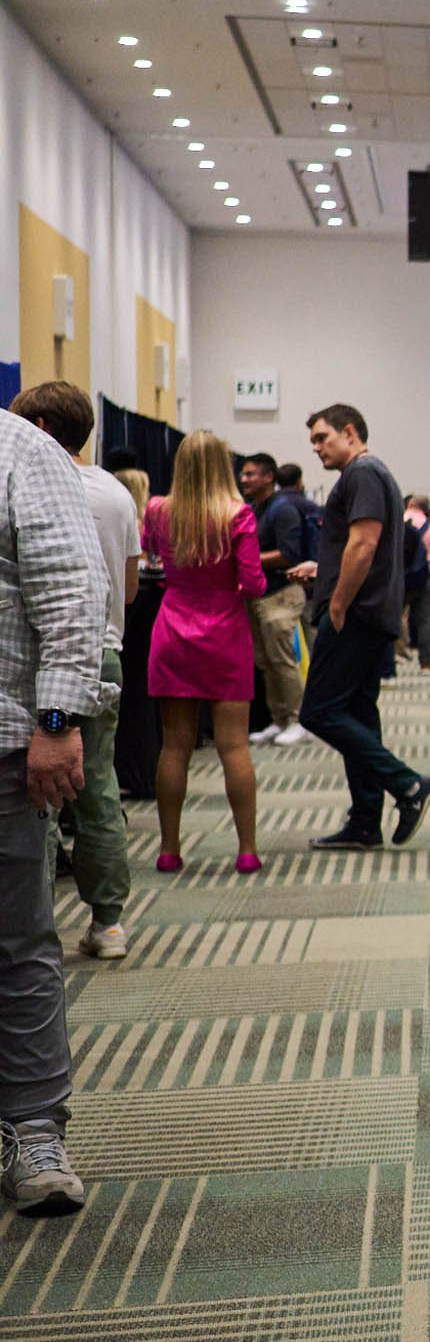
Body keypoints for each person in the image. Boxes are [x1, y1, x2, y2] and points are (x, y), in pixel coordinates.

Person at [0, 405, 107, 1215]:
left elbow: (76, 591)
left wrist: (58, 721)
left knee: (19, 937)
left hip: (9, 742)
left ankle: (35, 1126)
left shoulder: (21, 452)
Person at [9, 384, 138, 960]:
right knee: (98, 791)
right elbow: (128, 590)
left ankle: (31, 921)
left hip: (37, 667)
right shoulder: (116, 494)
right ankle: (108, 922)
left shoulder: (28, 477)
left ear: (36, 424)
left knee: (30, 801)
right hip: (104, 650)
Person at [294, 405, 430, 851]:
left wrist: (336, 600)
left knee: (317, 711)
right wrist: (325, 570)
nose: (316, 448)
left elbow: (365, 542)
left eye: (322, 438)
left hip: (355, 614)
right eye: (313, 441)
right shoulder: (368, 475)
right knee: (356, 713)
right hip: (366, 611)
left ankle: (408, 784)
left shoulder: (363, 473)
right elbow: (359, 547)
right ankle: (365, 820)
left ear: (350, 432)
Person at [141, 431, 264, 876]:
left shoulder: (157, 510)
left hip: (173, 630)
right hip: (225, 635)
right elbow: (253, 585)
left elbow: (150, 554)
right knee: (234, 746)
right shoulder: (238, 515)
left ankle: (170, 849)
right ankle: (247, 849)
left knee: (174, 746)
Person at [238, 454, 314, 747]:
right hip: (259, 594)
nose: (244, 480)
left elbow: (289, 553)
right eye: (243, 475)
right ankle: (280, 719)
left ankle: (299, 720)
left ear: (269, 477)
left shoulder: (282, 510)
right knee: (266, 661)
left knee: (282, 659)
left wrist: (247, 560)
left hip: (282, 593)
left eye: (250, 474)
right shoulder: (255, 509)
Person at [400, 495, 430, 671]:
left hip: (400, 577)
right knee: (426, 621)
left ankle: (392, 658)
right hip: (424, 577)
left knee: (393, 617)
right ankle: (426, 663)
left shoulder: (400, 519)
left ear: (409, 504)